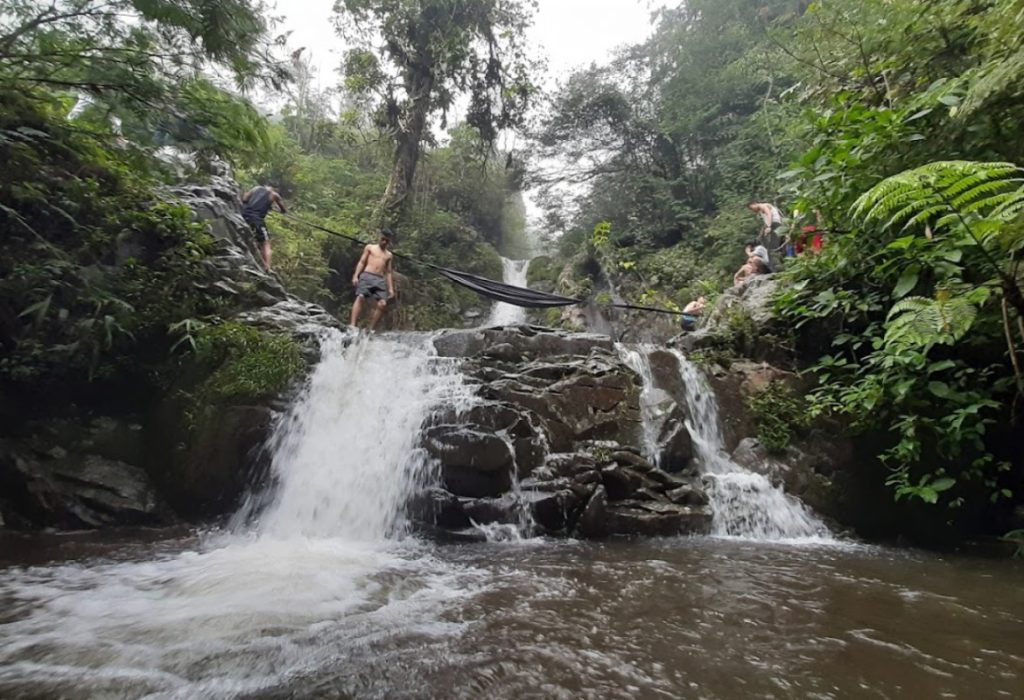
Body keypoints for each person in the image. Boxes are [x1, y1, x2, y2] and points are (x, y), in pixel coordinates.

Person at [350, 228, 396, 331]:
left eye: (387, 241)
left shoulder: (389, 255)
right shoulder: (370, 248)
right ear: (379, 237)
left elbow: (388, 272)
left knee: (382, 304)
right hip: (367, 275)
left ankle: (371, 329)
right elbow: (362, 262)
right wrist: (356, 275)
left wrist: (391, 289)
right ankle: (352, 325)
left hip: (379, 279)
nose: (384, 242)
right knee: (360, 297)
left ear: (389, 241)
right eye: (383, 239)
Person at [241, 184, 287, 270]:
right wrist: (271, 206)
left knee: (251, 238)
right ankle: (267, 267)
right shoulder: (274, 195)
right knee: (265, 243)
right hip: (257, 219)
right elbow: (283, 210)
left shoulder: (256, 188)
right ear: (275, 188)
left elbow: (244, 199)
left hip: (244, 215)